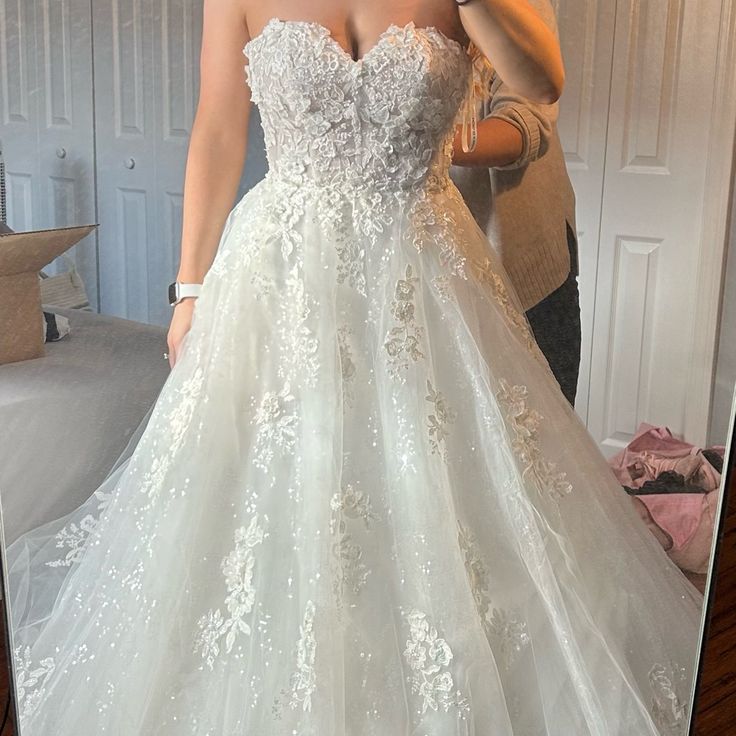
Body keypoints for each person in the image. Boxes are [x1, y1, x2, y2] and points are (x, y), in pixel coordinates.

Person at [7, 2, 702, 734]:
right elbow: (217, 123)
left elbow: (542, 83)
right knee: (272, 492)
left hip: (425, 279)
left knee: (443, 494)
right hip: (281, 278)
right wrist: (190, 288)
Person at [450, 0, 581, 405]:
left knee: (543, 436)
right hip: (418, 263)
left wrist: (420, 142)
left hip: (522, 261)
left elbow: (527, 121)